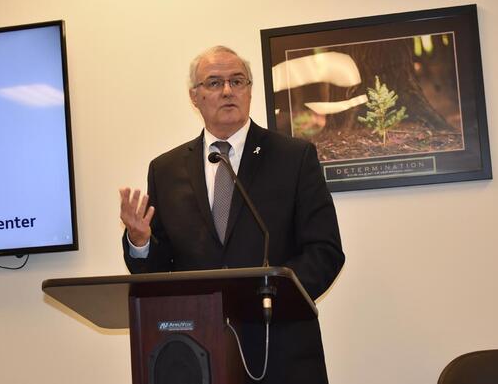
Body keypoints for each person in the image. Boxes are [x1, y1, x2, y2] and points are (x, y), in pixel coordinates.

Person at [120, 45, 345, 384]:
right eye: (214, 82)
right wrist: (141, 242)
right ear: (194, 97)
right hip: (194, 354)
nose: (227, 90)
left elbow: (325, 250)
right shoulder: (165, 169)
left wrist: (267, 297)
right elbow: (161, 269)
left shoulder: (293, 158)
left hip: (280, 347)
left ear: (249, 90)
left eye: (237, 81)